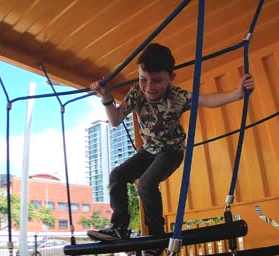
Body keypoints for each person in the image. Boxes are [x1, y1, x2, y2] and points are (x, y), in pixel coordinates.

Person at [87, 43, 254, 247]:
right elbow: (115, 120)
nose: (149, 87)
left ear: (171, 78)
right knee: (117, 175)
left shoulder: (176, 96)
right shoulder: (136, 94)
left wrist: (236, 94)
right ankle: (120, 228)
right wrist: (106, 98)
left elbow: (206, 100)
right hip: (148, 151)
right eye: (143, 79)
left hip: (171, 151)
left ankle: (157, 237)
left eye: (157, 80)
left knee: (146, 184)